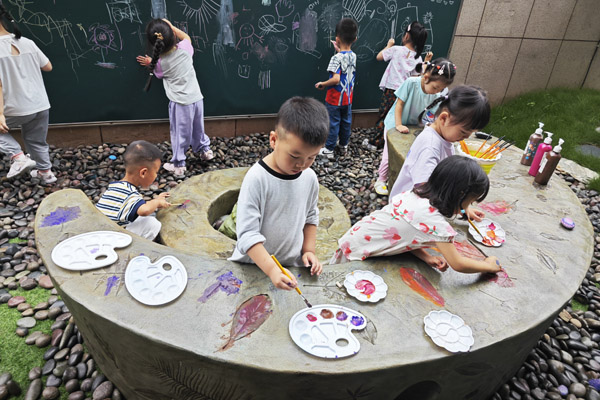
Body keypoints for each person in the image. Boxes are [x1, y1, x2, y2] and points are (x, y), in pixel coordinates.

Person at [331, 155, 502, 274]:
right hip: (354, 259)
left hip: (351, 243)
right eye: (470, 202)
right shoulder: (435, 224)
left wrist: (426, 256)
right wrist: (488, 266)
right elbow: (458, 264)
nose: (468, 206)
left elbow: (402, 233)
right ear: (459, 195)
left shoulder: (415, 196)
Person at [229, 97, 328, 290]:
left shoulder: (309, 177)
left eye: (312, 157)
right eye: (294, 156)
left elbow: (310, 216)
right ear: (274, 140)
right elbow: (247, 235)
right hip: (252, 267)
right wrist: (272, 269)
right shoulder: (257, 179)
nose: (302, 164)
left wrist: (309, 251)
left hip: (289, 266)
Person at [389, 84, 490, 225]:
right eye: (463, 132)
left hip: (416, 208)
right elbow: (424, 191)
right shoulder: (430, 147)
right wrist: (455, 208)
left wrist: (463, 208)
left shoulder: (443, 137)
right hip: (404, 214)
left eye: (470, 134)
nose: (466, 138)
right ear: (443, 118)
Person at [137, 18, 212, 179]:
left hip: (180, 104)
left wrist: (150, 62)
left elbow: (156, 70)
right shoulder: (185, 49)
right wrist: (171, 26)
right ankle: (205, 151)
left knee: (180, 134)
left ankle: (178, 165)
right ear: (172, 35)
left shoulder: (160, 64)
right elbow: (186, 38)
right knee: (198, 128)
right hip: (197, 99)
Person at [374, 58, 456, 196]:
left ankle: (399, 181)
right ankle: (381, 180)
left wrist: (427, 127)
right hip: (395, 123)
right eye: (436, 87)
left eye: (441, 89)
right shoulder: (411, 83)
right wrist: (398, 124)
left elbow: (430, 114)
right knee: (389, 154)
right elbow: (399, 104)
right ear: (426, 77)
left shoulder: (437, 94)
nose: (437, 91)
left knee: (408, 154)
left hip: (413, 125)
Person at [0, 5, 57, 184]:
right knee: (37, 141)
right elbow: (48, 66)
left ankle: (18, 157)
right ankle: (46, 173)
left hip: (14, 107)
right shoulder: (27, 42)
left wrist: (0, 113)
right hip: (40, 105)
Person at [370, 21, 432, 150]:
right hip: (405, 92)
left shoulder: (395, 49)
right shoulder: (418, 58)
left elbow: (379, 57)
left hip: (391, 89)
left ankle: (376, 143)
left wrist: (388, 45)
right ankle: (390, 142)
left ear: (407, 36)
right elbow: (417, 76)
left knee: (384, 114)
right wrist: (426, 62)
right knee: (396, 117)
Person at [96, 140, 171, 241]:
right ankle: (138, 248)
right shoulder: (130, 193)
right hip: (110, 239)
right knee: (152, 223)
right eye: (156, 172)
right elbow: (144, 210)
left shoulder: (116, 186)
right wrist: (156, 202)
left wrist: (157, 200)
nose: (156, 176)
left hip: (98, 231)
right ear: (143, 173)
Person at [315, 18, 357, 159]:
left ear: (337, 39)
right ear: (355, 39)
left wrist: (322, 83)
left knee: (333, 123)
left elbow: (336, 79)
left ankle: (329, 149)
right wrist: (339, 50)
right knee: (346, 122)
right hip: (348, 98)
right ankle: (343, 146)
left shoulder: (335, 59)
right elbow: (345, 63)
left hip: (334, 99)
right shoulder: (353, 56)